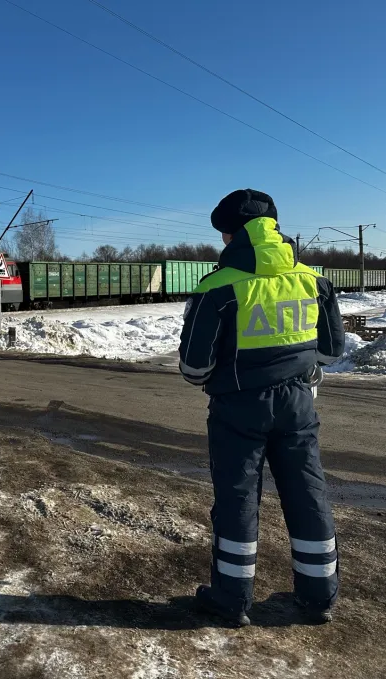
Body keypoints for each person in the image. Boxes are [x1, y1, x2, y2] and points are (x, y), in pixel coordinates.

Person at [179, 189, 345, 627]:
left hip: (238, 409)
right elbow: (331, 353)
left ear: (229, 234)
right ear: (274, 228)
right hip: (298, 406)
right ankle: (319, 596)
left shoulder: (217, 288)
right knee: (309, 494)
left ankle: (231, 600)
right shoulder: (314, 280)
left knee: (236, 500)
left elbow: (194, 368)